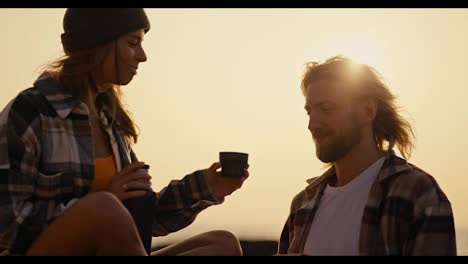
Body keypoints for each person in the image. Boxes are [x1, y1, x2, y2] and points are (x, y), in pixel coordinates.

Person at [0, 8, 248, 256]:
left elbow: (138, 225)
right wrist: (99, 206)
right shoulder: (30, 112)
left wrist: (207, 187)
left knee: (222, 245)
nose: (142, 56)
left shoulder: (111, 122)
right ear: (98, 43)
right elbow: (6, 222)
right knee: (105, 208)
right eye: (133, 43)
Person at [278, 55, 456, 256]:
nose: (312, 124)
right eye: (309, 112)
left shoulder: (416, 194)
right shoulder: (302, 206)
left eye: (326, 109)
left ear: (367, 111)